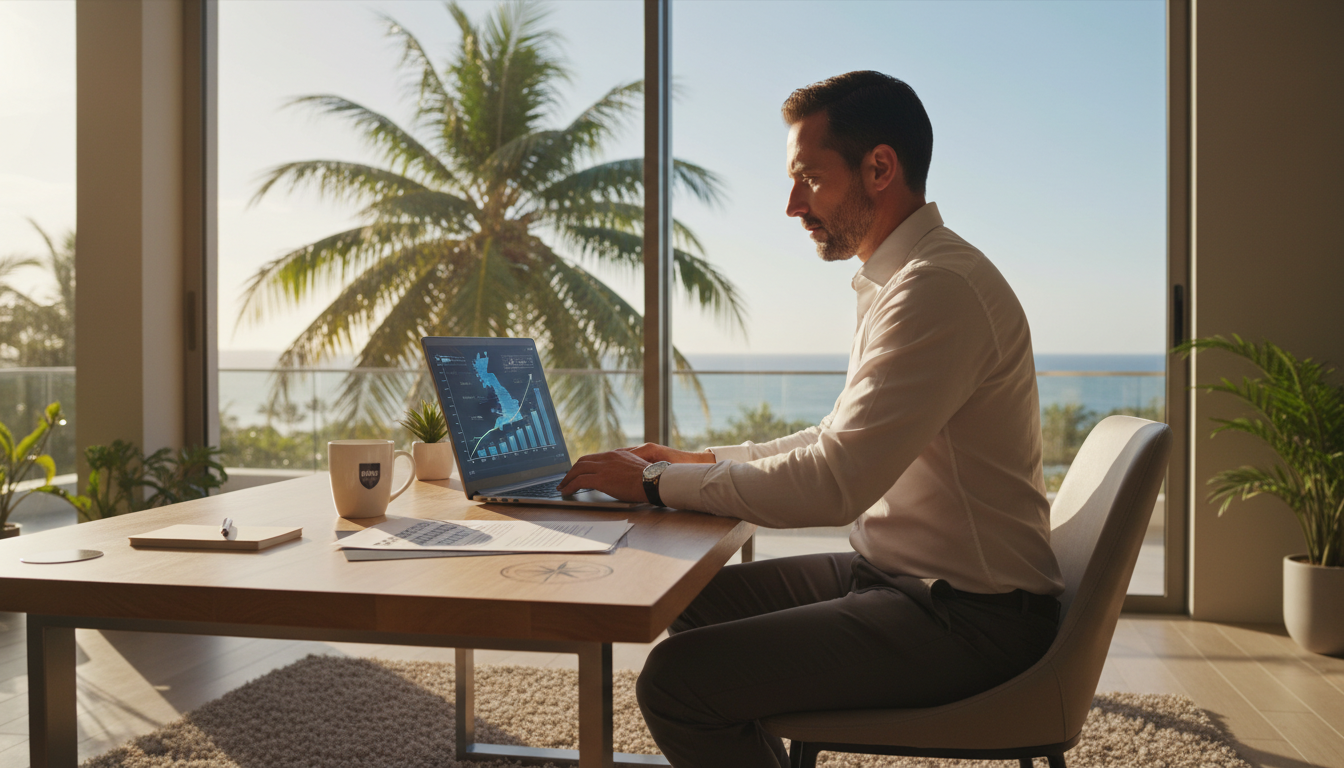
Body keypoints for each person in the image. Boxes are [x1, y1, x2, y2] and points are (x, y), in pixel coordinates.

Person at [558, 70, 1065, 768]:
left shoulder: (936, 288)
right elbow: (835, 438)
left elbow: (834, 484)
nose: (793, 205)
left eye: (810, 179)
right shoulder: (906, 277)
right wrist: (694, 464)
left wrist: (652, 483)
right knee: (691, 597)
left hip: (966, 618)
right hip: (901, 577)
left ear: (879, 168)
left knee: (676, 684)